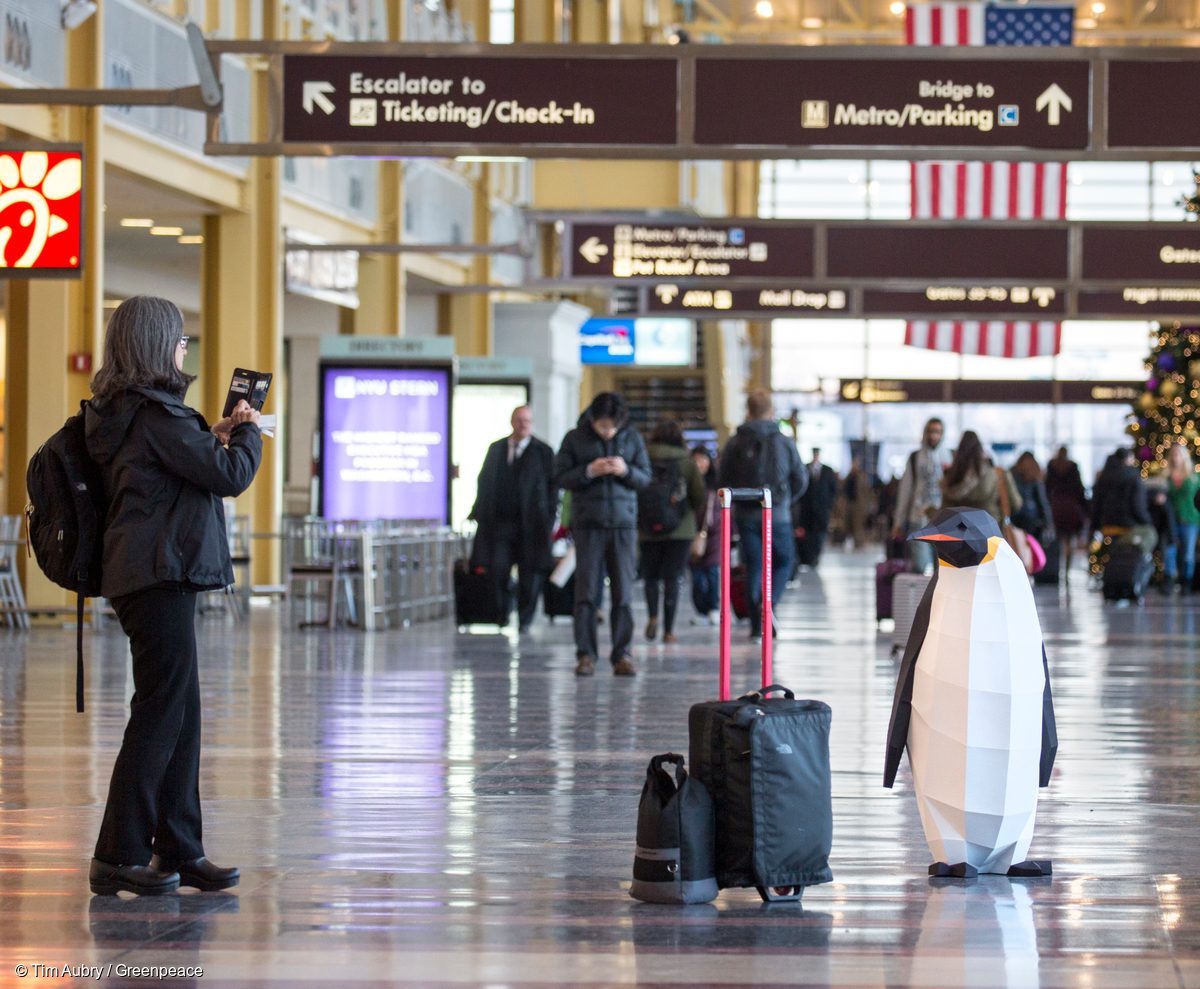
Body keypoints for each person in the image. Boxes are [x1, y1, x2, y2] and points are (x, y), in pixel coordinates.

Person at [84, 296, 262, 896]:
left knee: (179, 714)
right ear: (158, 344)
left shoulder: (126, 413)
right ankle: (116, 854)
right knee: (161, 713)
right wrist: (248, 432)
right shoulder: (158, 415)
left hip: (147, 574)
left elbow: (169, 472)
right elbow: (230, 475)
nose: (186, 349)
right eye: (181, 339)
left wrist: (211, 434)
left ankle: (180, 849)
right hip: (158, 576)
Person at [553, 392, 650, 677]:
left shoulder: (632, 438)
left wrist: (626, 470)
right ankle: (585, 655)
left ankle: (623, 655)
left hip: (623, 525)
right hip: (588, 525)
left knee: (623, 593)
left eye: (612, 426)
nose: (607, 430)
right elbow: (560, 476)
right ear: (593, 419)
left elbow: (645, 478)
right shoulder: (574, 438)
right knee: (586, 593)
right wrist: (588, 471)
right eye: (602, 425)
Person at [719, 391, 806, 641]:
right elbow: (800, 477)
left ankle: (757, 626)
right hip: (776, 512)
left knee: (754, 564)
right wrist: (786, 500)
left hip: (745, 512)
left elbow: (722, 477)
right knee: (784, 560)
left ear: (748, 410)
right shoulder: (783, 440)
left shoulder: (736, 441)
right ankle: (768, 605)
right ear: (771, 411)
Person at [469, 406, 556, 632]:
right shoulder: (496, 449)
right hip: (501, 525)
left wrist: (548, 520)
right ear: (511, 422)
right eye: (519, 420)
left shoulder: (544, 452)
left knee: (530, 575)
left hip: (532, 527)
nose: (523, 424)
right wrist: (477, 512)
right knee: (497, 570)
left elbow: (552, 489)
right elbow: (484, 482)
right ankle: (502, 613)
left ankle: (525, 619)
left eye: (527, 420)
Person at [639, 420, 706, 643]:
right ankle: (668, 630)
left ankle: (652, 616)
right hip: (681, 529)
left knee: (650, 577)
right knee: (672, 578)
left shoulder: (643, 456)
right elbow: (699, 496)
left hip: (647, 528)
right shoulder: (686, 462)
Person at [891, 417, 946, 573]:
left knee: (943, 570)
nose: (934, 436)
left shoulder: (948, 457)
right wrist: (898, 522)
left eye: (938, 432)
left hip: (943, 522)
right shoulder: (915, 457)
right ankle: (919, 597)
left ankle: (937, 597)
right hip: (918, 519)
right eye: (930, 431)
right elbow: (905, 491)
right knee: (919, 565)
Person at [941, 430, 1023, 525]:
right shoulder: (997, 474)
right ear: (981, 450)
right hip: (992, 532)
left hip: (960, 534)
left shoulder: (951, 477)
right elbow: (1016, 504)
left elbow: (944, 512)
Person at [1090, 447, 1157, 551]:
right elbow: (1137, 506)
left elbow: (1096, 504)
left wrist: (1095, 526)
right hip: (1129, 527)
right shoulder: (1133, 477)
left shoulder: (1103, 477)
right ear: (1128, 458)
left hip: (1106, 526)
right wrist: (1147, 521)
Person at [1045, 445, 1089, 580]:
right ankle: (1067, 570)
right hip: (1071, 509)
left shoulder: (1051, 466)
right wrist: (1085, 508)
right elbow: (1079, 489)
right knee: (1070, 540)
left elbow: (1047, 488)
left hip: (1056, 508)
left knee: (1059, 540)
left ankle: (1058, 569)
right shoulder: (1073, 467)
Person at [689, 444, 721, 625]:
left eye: (703, 459)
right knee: (697, 575)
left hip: (715, 534)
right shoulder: (685, 482)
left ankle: (714, 607)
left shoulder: (717, 483)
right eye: (696, 460)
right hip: (693, 533)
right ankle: (701, 609)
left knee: (713, 572)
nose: (700, 464)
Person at [1164, 443, 1200, 592]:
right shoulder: (1166, 476)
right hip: (1171, 520)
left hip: (1190, 519)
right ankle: (1170, 579)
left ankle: (1187, 581)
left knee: (1187, 554)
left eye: (1178, 454)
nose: (1175, 457)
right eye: (1173, 454)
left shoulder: (1194, 477)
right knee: (1169, 551)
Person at [796, 447, 838, 568]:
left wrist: (828, 504)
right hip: (807, 508)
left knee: (820, 534)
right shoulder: (805, 468)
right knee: (808, 533)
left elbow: (833, 490)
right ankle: (809, 558)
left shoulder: (827, 470)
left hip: (822, 509)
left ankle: (816, 556)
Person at [1010, 451, 1055, 547]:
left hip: (1014, 517)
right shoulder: (1035, 476)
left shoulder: (1011, 474)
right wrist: (1049, 523)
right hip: (1031, 520)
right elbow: (1043, 503)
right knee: (1029, 546)